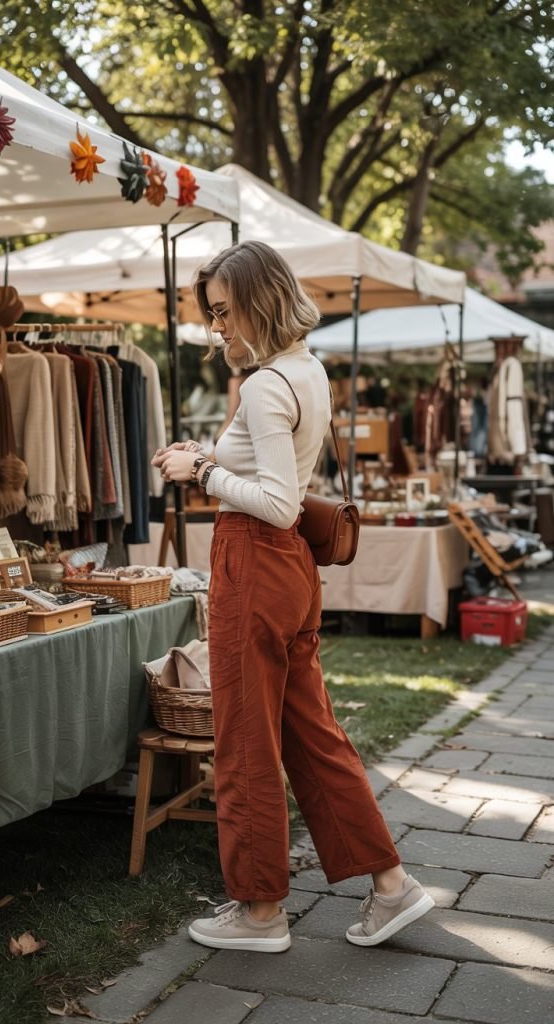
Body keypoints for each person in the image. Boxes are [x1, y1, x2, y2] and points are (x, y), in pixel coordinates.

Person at [151, 241, 434, 954]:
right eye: (212, 315)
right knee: (313, 734)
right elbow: (281, 482)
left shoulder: (266, 383)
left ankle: (259, 912)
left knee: (244, 741)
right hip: (290, 573)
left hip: (256, 560)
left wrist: (201, 469)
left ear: (259, 298)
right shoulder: (306, 369)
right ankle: (392, 885)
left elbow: (276, 503)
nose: (218, 328)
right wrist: (214, 461)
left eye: (224, 311)